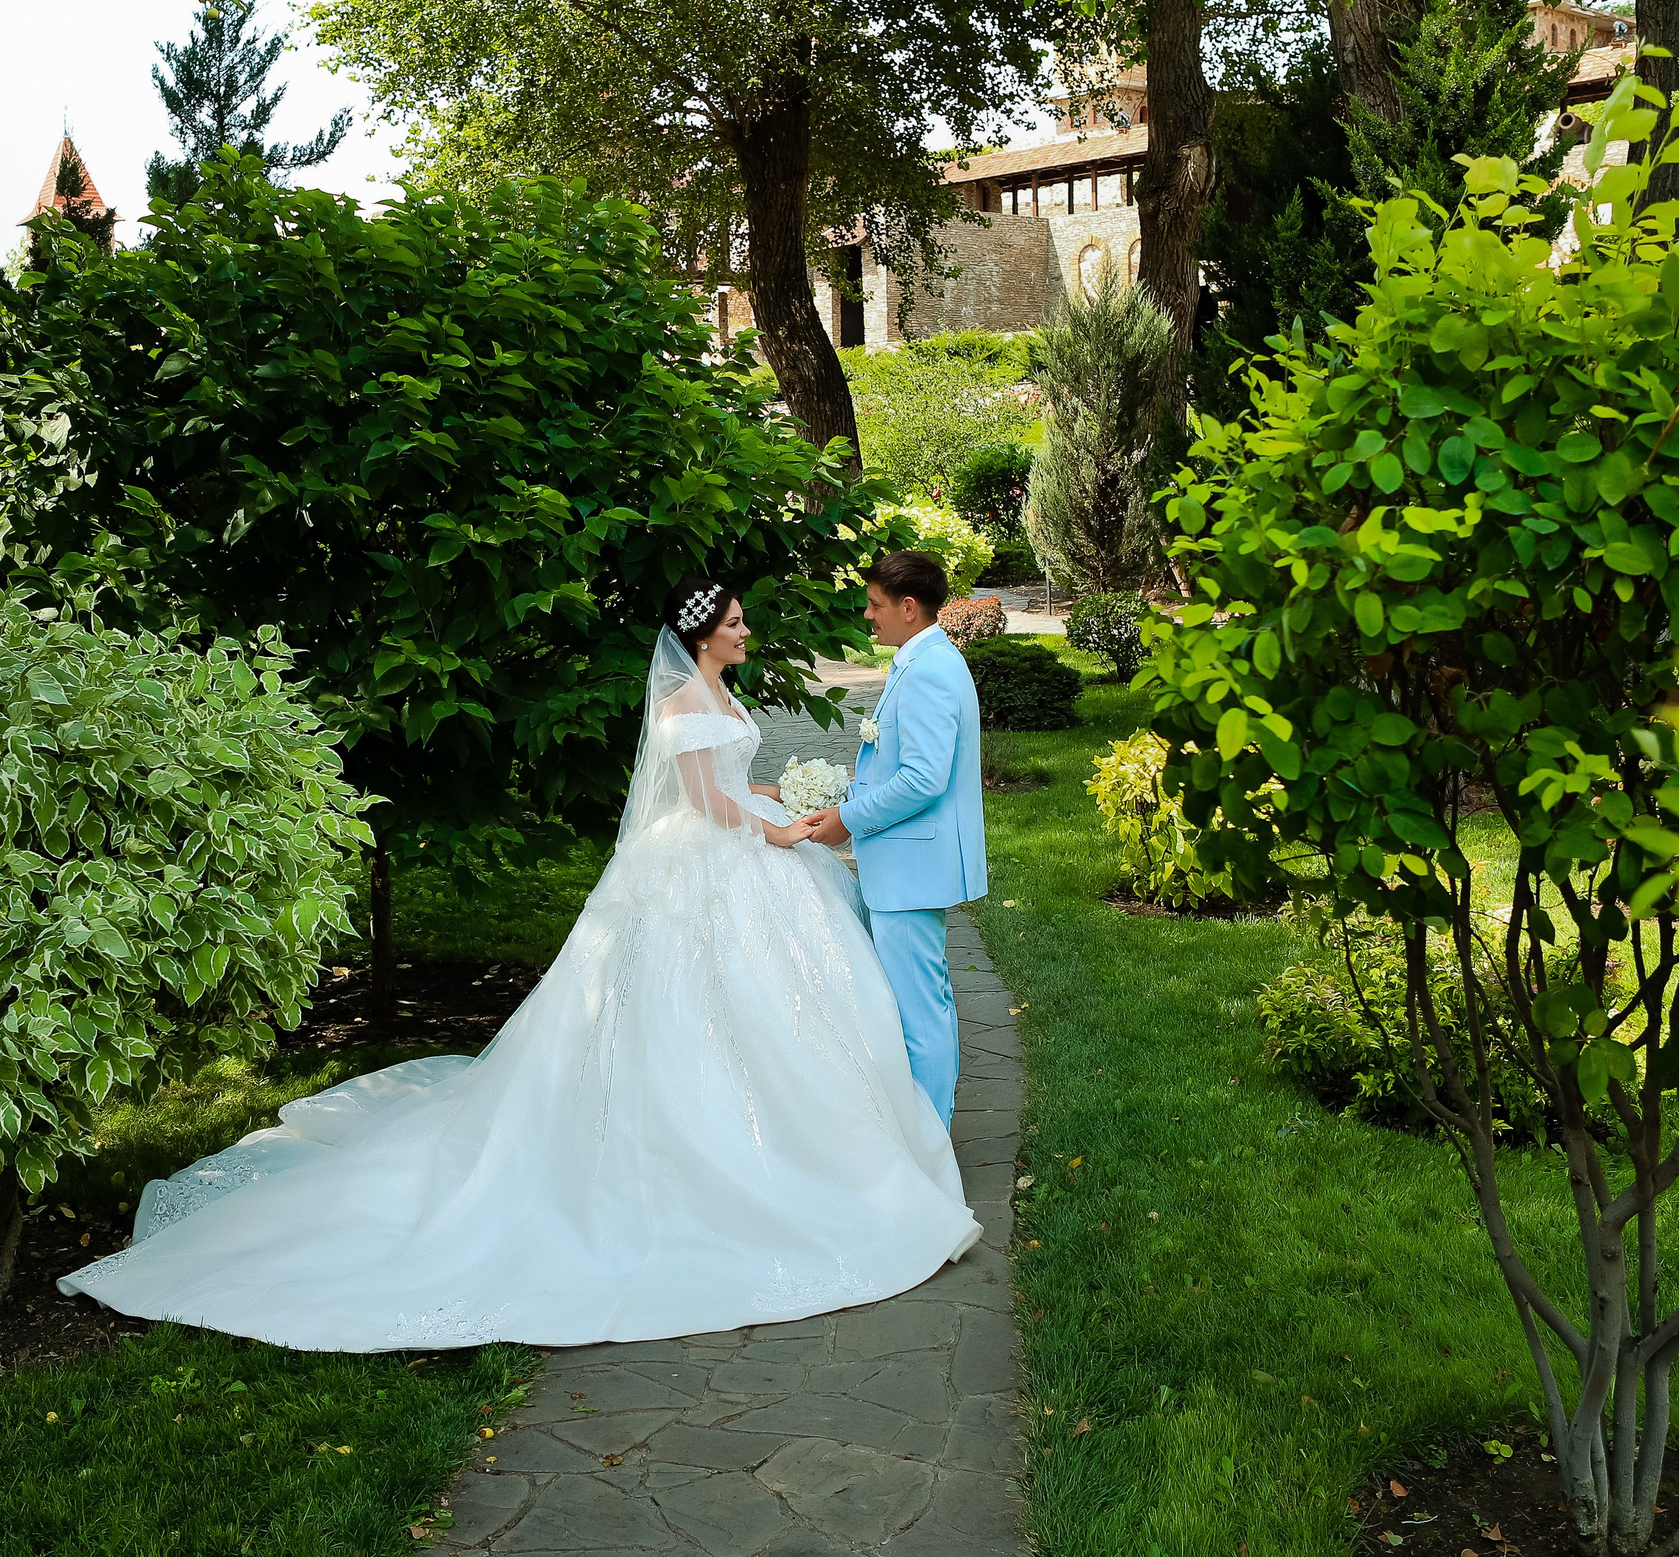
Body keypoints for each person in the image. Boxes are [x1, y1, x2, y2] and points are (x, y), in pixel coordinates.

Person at [56, 577, 979, 1349]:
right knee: (688, 998)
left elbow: (732, 779)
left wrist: (780, 790)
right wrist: (776, 826)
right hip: (701, 861)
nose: (746, 631)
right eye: (736, 623)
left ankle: (826, 1128)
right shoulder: (682, 703)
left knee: (776, 1002)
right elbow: (705, 802)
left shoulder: (721, 695)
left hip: (733, 845)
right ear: (705, 635)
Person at [796, 550, 987, 1124]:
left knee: (918, 1012)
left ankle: (930, 1144)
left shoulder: (929, 670)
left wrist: (848, 820)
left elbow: (923, 779)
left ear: (908, 607)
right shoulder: (921, 660)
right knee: (925, 1002)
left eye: (876, 605)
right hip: (909, 863)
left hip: (911, 869)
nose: (868, 615)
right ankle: (928, 1130)